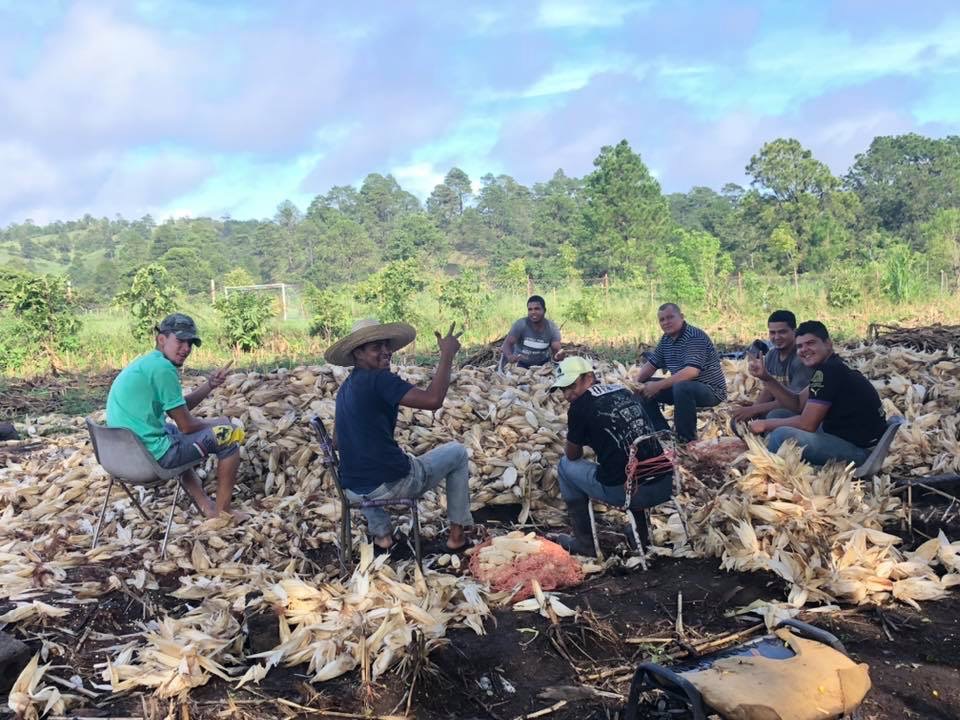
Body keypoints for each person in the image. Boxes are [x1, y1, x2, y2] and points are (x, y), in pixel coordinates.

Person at [326, 319, 475, 552]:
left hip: (352, 490)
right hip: (391, 485)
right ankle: (457, 537)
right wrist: (447, 355)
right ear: (358, 353)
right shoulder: (379, 379)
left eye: (387, 346)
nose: (386, 352)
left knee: (365, 466)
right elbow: (433, 400)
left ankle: (382, 537)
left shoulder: (346, 388)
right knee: (456, 453)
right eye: (376, 348)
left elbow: (336, 441)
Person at [106, 313, 248, 522]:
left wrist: (209, 385)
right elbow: (187, 426)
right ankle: (223, 514)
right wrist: (218, 423)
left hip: (118, 458)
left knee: (172, 434)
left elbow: (179, 409)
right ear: (161, 338)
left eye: (190, 343)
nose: (186, 348)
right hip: (150, 460)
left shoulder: (147, 363)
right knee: (229, 435)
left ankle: (205, 506)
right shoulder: (163, 369)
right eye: (180, 341)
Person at [551, 356, 673, 556]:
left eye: (571, 386)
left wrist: (580, 440)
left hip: (631, 493)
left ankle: (584, 542)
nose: (567, 394)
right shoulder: (622, 391)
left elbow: (573, 455)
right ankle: (641, 535)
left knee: (565, 467)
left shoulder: (579, 407)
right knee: (629, 461)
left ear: (588, 377)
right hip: (664, 483)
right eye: (563, 389)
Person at [746, 320, 887, 466]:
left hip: (861, 451)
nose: (804, 349)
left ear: (828, 344)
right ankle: (776, 457)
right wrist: (766, 378)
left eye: (811, 343)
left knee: (781, 436)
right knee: (778, 414)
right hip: (840, 435)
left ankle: (769, 473)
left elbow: (807, 425)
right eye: (799, 346)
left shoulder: (830, 371)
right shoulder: (830, 367)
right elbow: (797, 404)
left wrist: (765, 424)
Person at [632, 303, 726, 442]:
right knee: (643, 388)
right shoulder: (666, 340)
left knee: (682, 386)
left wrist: (658, 386)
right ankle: (662, 434)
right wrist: (635, 384)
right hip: (683, 389)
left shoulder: (694, 337)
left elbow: (691, 372)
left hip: (710, 390)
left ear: (681, 317)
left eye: (670, 317)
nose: (666, 322)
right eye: (662, 320)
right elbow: (651, 365)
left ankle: (686, 440)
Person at [731, 310, 812, 422]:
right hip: (783, 404)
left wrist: (754, 410)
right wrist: (752, 410)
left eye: (782, 332)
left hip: (802, 410)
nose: (777, 337)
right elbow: (769, 389)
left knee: (774, 415)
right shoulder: (771, 355)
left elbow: (795, 402)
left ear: (795, 331)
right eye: (772, 333)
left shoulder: (801, 359)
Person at [500, 295, 565, 368]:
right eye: (530, 309)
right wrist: (509, 356)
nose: (533, 312)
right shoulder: (521, 324)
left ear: (544, 310)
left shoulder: (552, 328)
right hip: (521, 364)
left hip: (543, 366)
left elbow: (556, 352)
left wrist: (559, 357)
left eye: (537, 309)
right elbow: (506, 344)